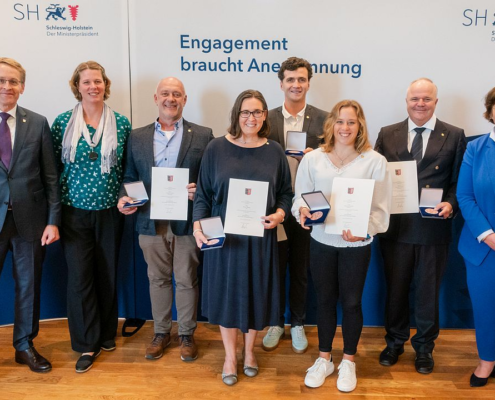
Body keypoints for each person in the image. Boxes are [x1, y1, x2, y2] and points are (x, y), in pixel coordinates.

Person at [193, 89, 292, 386]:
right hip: (224, 240)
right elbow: (203, 195)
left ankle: (249, 352)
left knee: (256, 294)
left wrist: (280, 214)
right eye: (246, 112)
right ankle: (229, 356)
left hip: (260, 239)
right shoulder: (216, 148)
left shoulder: (274, 150)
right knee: (227, 297)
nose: (252, 118)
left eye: (258, 112)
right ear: (237, 115)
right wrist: (198, 227)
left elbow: (286, 193)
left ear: (265, 116)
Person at [293, 99, 390, 392]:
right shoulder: (313, 159)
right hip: (321, 241)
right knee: (324, 302)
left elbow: (381, 211)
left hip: (355, 247)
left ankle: (348, 360)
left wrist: (365, 231)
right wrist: (302, 212)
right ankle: (325, 358)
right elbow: (300, 197)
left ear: (359, 125)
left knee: (351, 303)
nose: (345, 127)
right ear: (330, 124)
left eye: (351, 121)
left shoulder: (374, 161)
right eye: (340, 121)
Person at [117, 77, 213, 363]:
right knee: (156, 278)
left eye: (177, 94)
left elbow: (210, 179)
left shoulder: (204, 135)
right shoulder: (137, 136)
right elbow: (129, 177)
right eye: (165, 94)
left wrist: (200, 190)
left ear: (185, 99)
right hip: (149, 220)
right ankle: (160, 332)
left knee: (186, 279)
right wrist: (125, 197)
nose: (171, 98)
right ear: (155, 98)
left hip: (186, 222)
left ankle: (186, 334)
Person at [375, 78, 466, 374]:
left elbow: (458, 182)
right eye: (415, 98)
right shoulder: (388, 134)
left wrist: (451, 204)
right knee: (396, 290)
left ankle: (425, 348)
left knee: (428, 294)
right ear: (407, 101)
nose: (420, 104)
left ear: (435, 102)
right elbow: (376, 179)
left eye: (426, 99)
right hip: (396, 229)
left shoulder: (454, 135)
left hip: (433, 228)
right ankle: (395, 342)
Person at [51, 61, 131, 373]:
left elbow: (128, 169)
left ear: (105, 84)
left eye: (97, 81)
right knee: (80, 277)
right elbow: (54, 170)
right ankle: (86, 344)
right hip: (73, 213)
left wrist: (128, 196)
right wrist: (54, 215)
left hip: (111, 212)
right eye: (86, 82)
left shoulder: (121, 123)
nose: (93, 87)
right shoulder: (62, 123)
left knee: (107, 272)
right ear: (77, 86)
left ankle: (107, 333)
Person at [0, 57, 60, 373]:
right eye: (1, 80)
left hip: (31, 221)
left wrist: (52, 220)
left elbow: (50, 177)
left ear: (22, 87)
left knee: (28, 286)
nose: (6, 86)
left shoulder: (37, 123)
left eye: (12, 81)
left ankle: (24, 346)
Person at [264, 57, 327, 354]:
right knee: (275, 267)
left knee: (301, 269)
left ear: (308, 84)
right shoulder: (266, 118)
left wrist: (318, 155)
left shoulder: (325, 119)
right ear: (281, 84)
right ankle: (276, 321)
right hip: (275, 205)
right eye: (290, 79)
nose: (296, 84)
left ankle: (298, 322)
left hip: (307, 207)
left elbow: (335, 159)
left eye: (301, 79)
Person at [457, 87, 495, 387]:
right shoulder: (476, 148)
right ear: (490, 111)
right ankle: (487, 361)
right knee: (485, 307)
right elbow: (465, 197)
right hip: (483, 248)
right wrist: (488, 235)